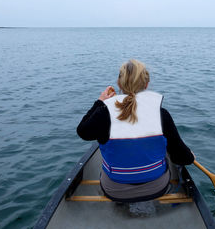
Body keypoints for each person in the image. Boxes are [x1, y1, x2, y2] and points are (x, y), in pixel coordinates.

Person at [77, 59, 194, 202]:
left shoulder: (103, 113)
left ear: (119, 84)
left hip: (114, 190)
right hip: (157, 188)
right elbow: (182, 158)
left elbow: (82, 132)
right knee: (169, 153)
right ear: (146, 84)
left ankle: (122, 203)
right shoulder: (161, 114)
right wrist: (190, 156)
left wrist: (100, 101)